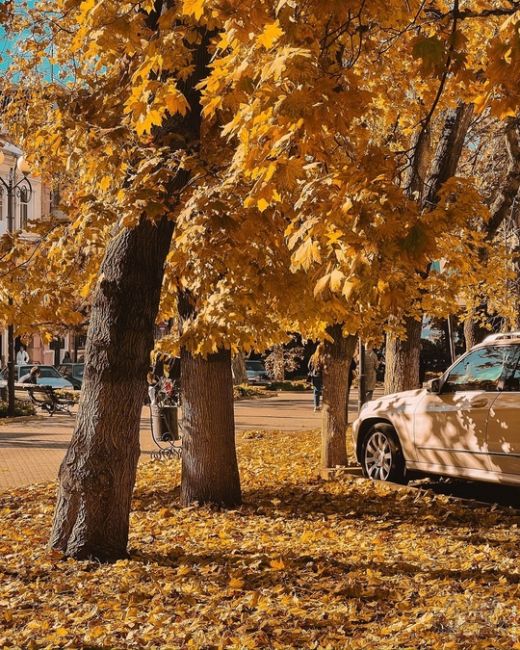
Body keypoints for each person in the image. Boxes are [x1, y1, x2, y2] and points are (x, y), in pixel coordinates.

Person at [308, 343, 324, 412]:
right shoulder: (324, 356)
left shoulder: (313, 356)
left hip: (315, 376)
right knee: (325, 391)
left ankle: (316, 407)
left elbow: (308, 366)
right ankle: (325, 406)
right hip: (324, 376)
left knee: (316, 391)